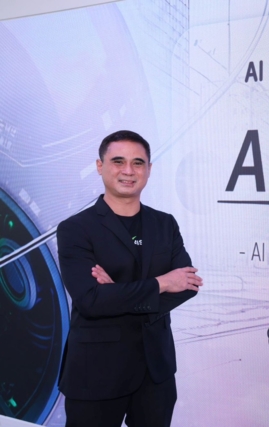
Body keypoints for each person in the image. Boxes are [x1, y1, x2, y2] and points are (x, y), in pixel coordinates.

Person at [56, 130, 203, 427]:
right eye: (118, 161)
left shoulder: (164, 224)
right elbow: (91, 300)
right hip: (96, 373)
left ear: (149, 169)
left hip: (156, 372)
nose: (128, 170)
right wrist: (161, 283)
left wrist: (117, 293)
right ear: (100, 166)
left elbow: (187, 284)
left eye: (138, 163)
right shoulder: (75, 229)